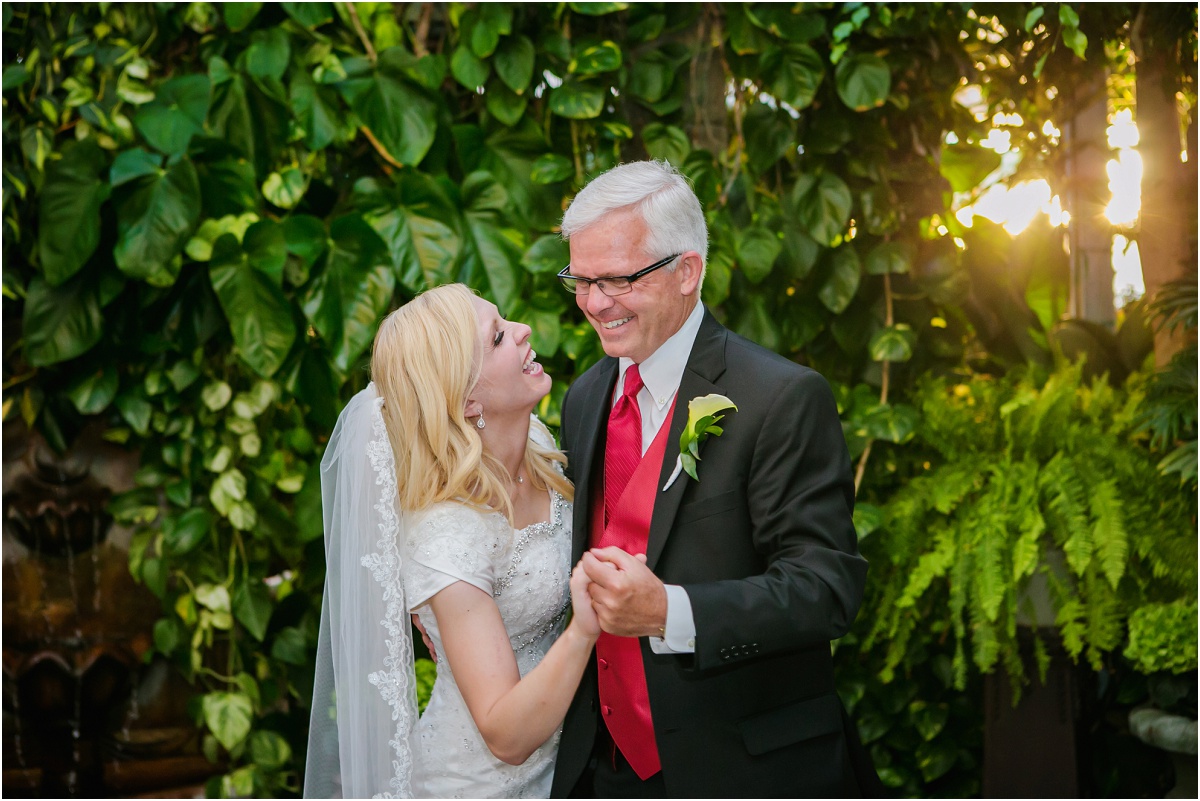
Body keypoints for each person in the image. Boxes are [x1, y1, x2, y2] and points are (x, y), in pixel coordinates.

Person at [549, 161, 880, 798]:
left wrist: (670, 612)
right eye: (582, 280)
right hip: (603, 772)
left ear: (687, 272)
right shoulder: (585, 398)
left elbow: (825, 588)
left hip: (744, 770)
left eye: (618, 278)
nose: (595, 303)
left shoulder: (779, 397)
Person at [305, 283, 600, 798]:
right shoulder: (447, 533)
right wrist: (586, 629)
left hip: (568, 760)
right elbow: (505, 734)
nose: (524, 330)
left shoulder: (538, 444)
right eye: (499, 338)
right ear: (466, 400)